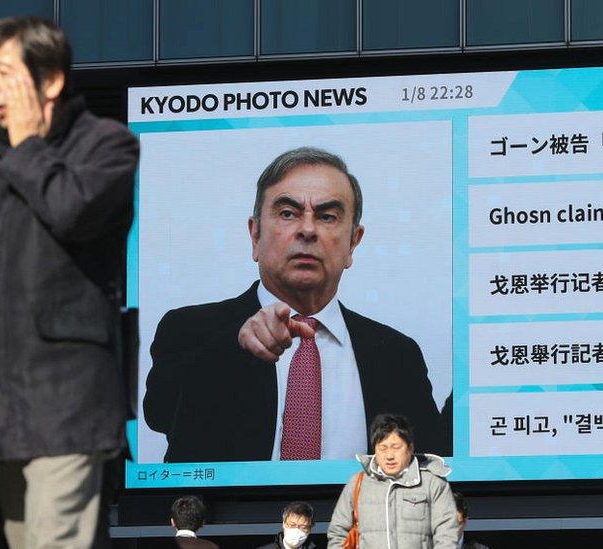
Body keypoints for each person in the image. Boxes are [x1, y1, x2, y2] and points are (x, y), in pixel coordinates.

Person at [0, 15, 139, 548]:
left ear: (50, 80)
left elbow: (73, 212)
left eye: (5, 71)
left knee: (56, 540)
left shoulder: (108, 145)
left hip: (67, 400)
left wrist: (26, 143)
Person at [144, 147, 443, 463]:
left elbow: (431, 466)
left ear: (353, 242)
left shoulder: (397, 355)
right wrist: (236, 344)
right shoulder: (191, 330)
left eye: (327, 216)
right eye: (288, 213)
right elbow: (160, 415)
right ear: (255, 235)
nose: (308, 230)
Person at [327, 413, 459, 548]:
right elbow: (338, 533)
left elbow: (446, 534)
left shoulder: (432, 483)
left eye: (396, 448)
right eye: (382, 448)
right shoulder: (358, 483)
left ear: (410, 447)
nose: (389, 456)